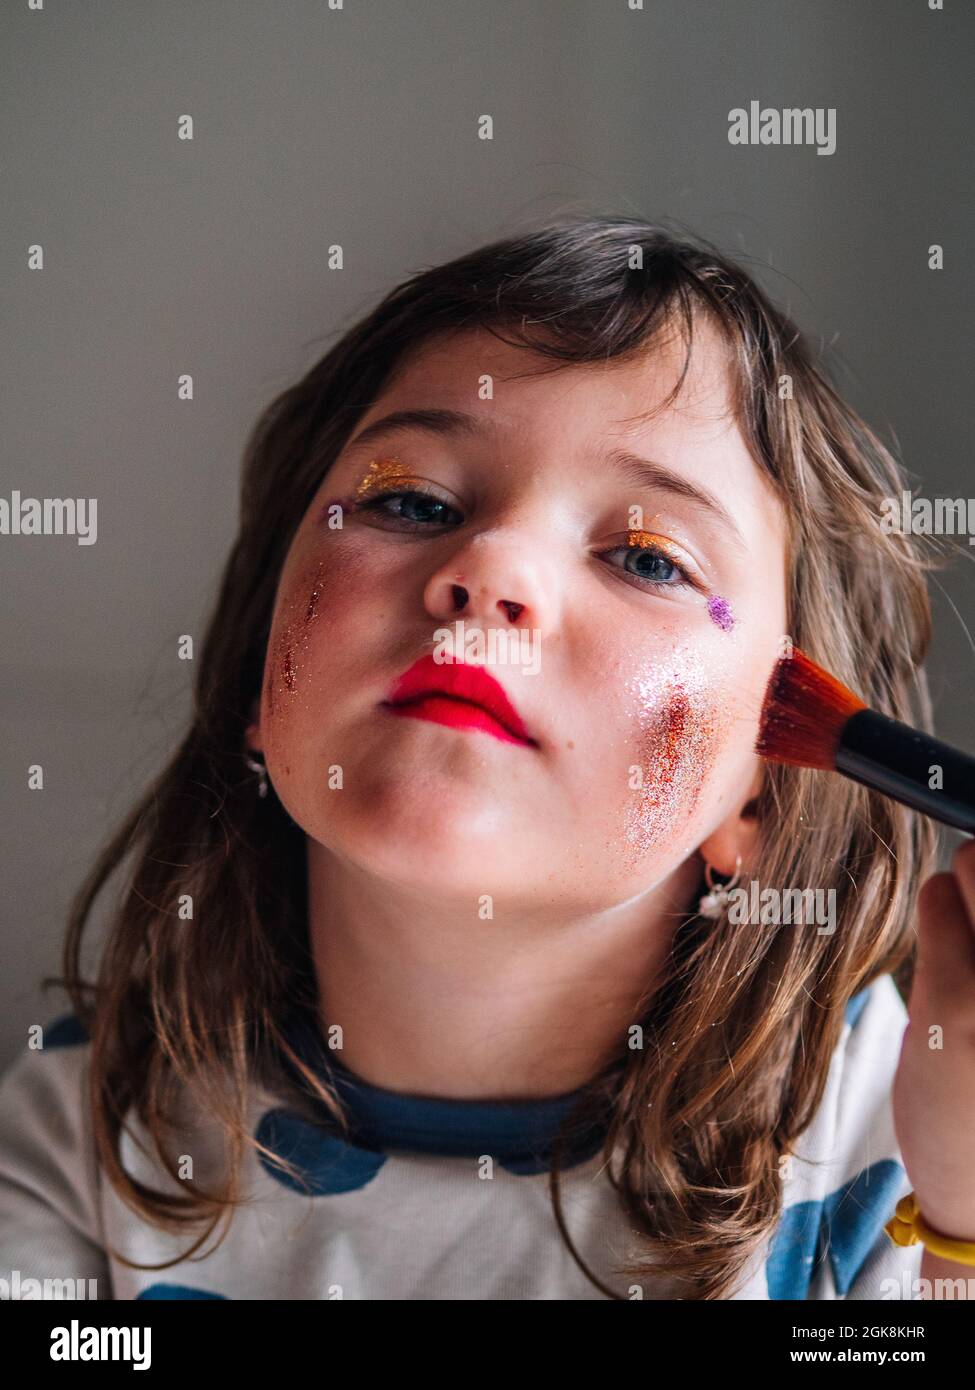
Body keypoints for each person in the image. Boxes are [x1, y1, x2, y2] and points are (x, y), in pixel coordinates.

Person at [2, 215, 973, 1301]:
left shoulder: (893, 1143)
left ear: (761, 794)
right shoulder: (81, 1131)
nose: (490, 566)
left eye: (647, 557)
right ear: (254, 683)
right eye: (411, 501)